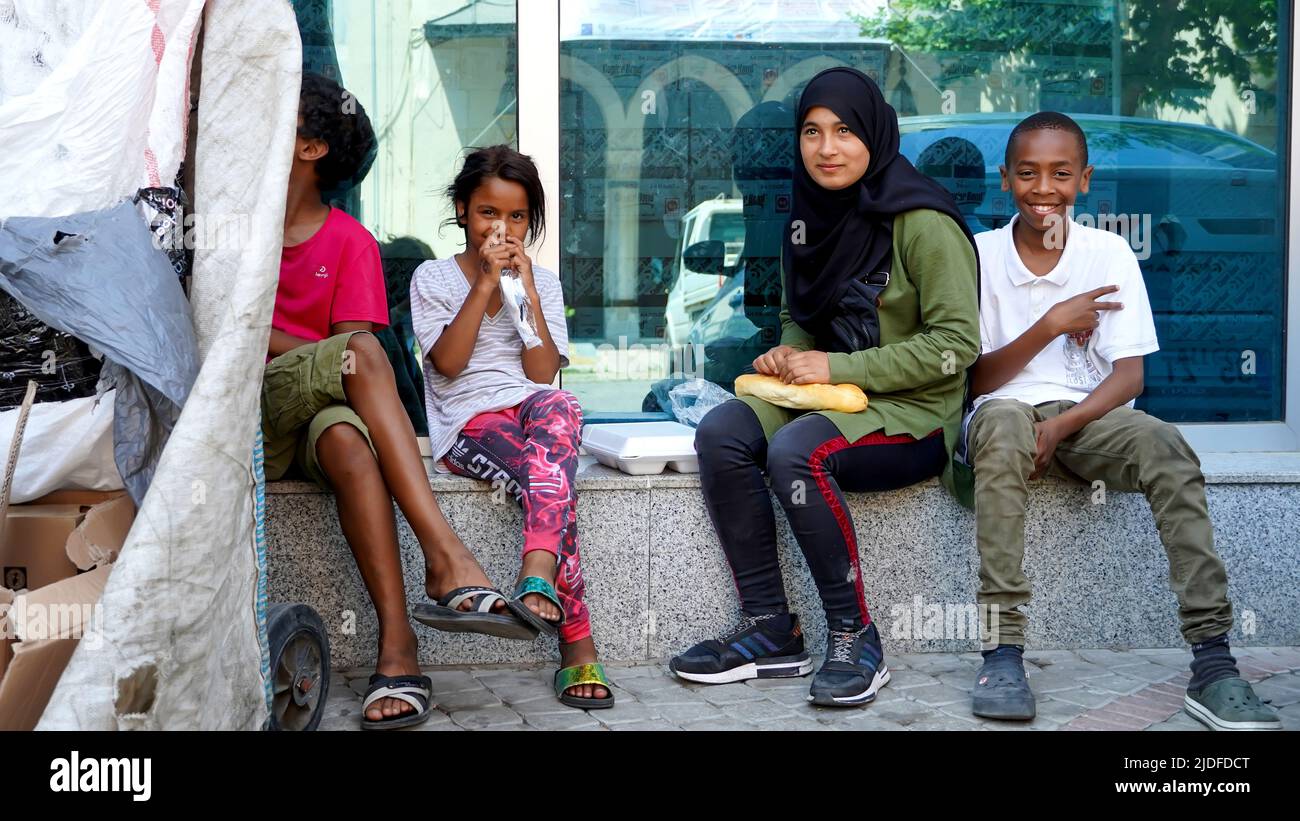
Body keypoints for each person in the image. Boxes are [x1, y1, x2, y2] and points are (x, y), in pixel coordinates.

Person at [669, 67, 980, 708]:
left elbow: (955, 349)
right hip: (831, 399)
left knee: (795, 452)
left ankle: (853, 635)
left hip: (912, 413)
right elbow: (800, 319)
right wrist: (793, 351)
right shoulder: (804, 221)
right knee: (723, 429)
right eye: (811, 132)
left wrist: (837, 369)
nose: (826, 148)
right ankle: (771, 629)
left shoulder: (923, 223)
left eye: (843, 131)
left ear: (874, 135)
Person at [964, 111, 1279, 730]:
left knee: (1165, 444)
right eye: (1028, 173)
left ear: (1085, 180)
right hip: (1002, 414)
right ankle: (1002, 652)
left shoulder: (1107, 253)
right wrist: (1051, 323)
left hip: (1086, 419)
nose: (1044, 188)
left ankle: (1213, 662)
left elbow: (1130, 379)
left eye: (1060, 173)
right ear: (1005, 180)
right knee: (1003, 423)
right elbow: (975, 380)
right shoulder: (980, 255)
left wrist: (1058, 427)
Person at [262, 74, 523, 730]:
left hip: (320, 414)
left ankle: (399, 651)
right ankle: (445, 554)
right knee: (360, 356)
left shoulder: (350, 241)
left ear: (312, 147)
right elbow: (216, 328)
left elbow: (349, 360)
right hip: (248, 414)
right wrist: (262, 335)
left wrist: (261, 333)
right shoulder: (231, 223)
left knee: (351, 436)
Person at [410, 145, 613, 709]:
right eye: (487, 214)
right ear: (462, 211)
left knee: (564, 409)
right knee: (551, 485)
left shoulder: (539, 282)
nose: (502, 228)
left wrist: (521, 293)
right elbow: (448, 364)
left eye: (517, 217)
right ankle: (577, 645)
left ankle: (536, 569)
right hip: (470, 424)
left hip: (533, 411)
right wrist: (484, 284)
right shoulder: (432, 277)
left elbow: (542, 372)